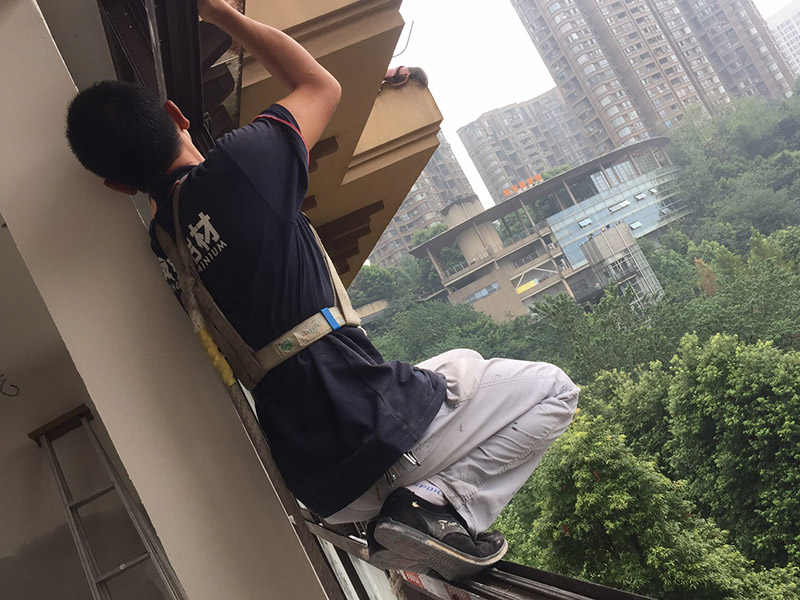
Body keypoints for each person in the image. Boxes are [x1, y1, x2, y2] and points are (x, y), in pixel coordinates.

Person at [65, 0, 578, 581]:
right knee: (552, 389)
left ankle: (420, 514)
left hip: (323, 487)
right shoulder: (241, 166)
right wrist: (221, 14)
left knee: (459, 363)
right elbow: (319, 85)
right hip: (374, 435)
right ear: (176, 114)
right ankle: (439, 507)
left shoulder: (164, 244)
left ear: (116, 186)